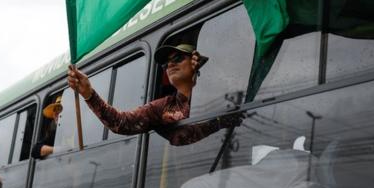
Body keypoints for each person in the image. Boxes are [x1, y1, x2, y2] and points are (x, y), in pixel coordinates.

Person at [67, 43, 244, 146]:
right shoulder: (162, 107)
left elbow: (239, 96)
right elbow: (121, 123)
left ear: (195, 61)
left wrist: (209, 73)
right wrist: (88, 93)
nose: (170, 65)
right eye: (166, 64)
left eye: (178, 59)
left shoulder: (220, 92)